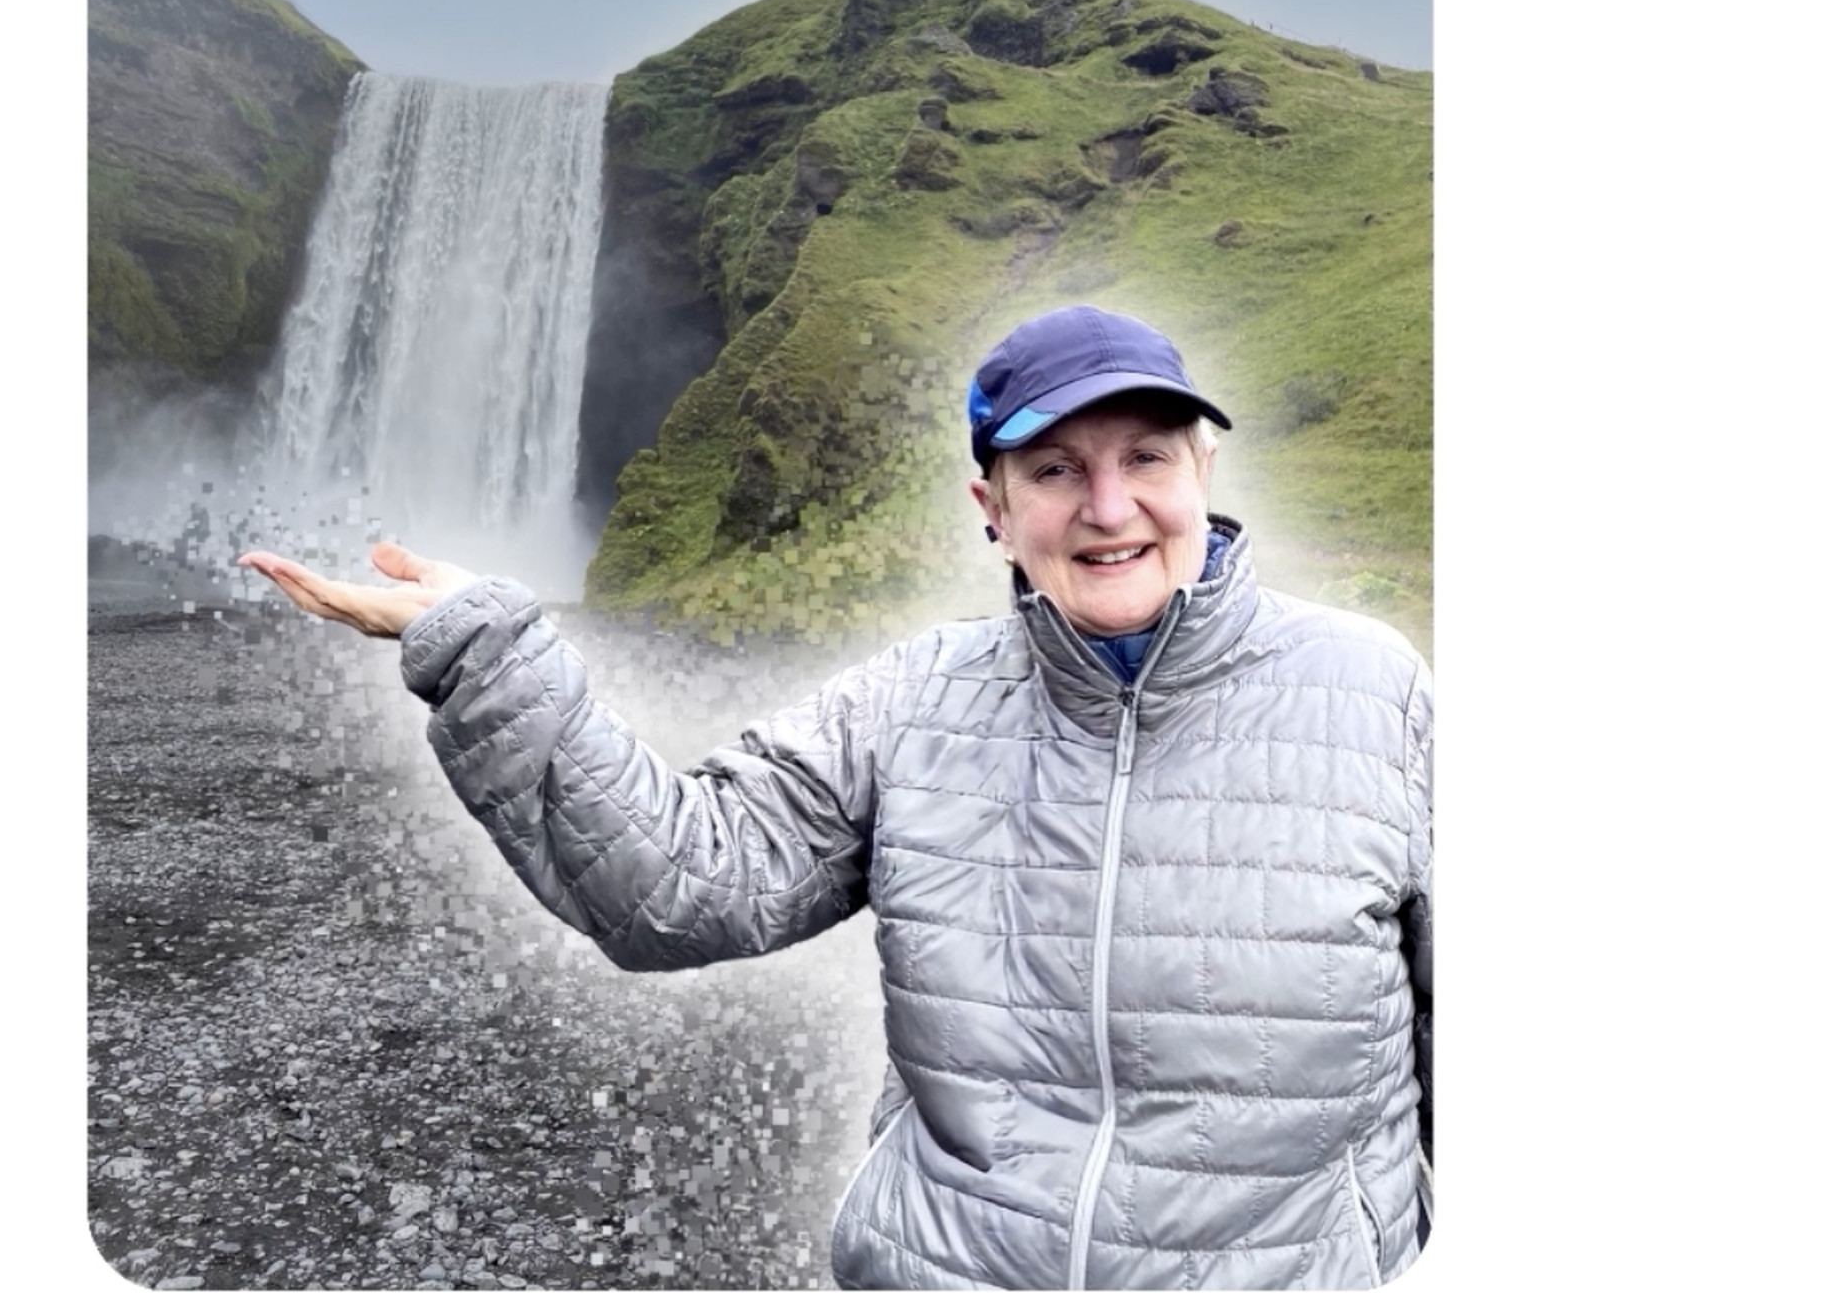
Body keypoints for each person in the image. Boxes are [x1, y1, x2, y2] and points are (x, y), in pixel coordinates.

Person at [239, 304, 1432, 1291]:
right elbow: (682, 883)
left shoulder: (1376, 695)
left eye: (1146, 458)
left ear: (1202, 470)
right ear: (994, 512)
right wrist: (486, 650)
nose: (1109, 506)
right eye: (1056, 469)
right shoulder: (910, 705)